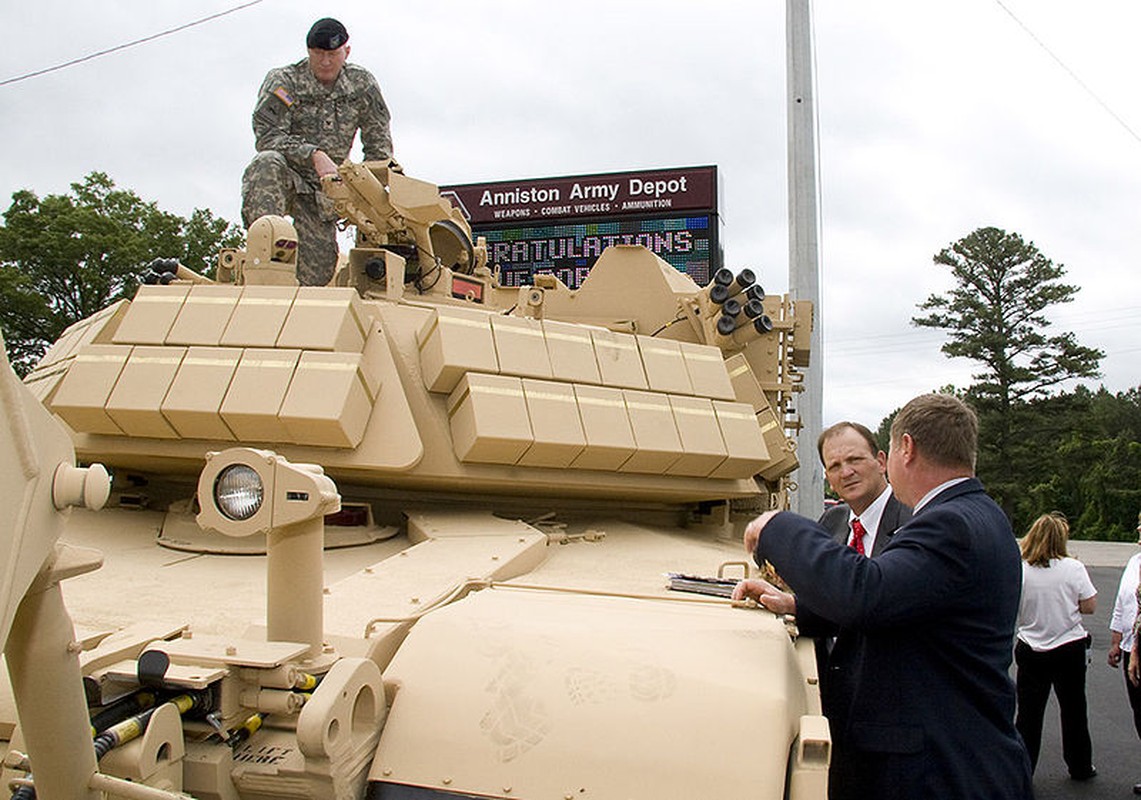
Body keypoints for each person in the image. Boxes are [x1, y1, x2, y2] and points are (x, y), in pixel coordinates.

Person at [733, 393, 1032, 799]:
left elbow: (865, 593)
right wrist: (796, 606)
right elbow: (902, 609)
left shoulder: (948, 524)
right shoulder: (980, 513)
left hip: (939, 772)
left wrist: (776, 527)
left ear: (903, 449)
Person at [241, 17, 395, 287]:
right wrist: (313, 154)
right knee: (266, 163)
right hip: (289, 174)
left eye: (332, 54)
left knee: (316, 278)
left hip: (327, 193)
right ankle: (264, 252)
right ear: (308, 51)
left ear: (346, 51)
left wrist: (368, 191)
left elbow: (378, 146)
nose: (325, 62)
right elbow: (267, 134)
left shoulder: (362, 85)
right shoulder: (285, 82)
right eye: (318, 54)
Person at [1013, 512, 1097, 779]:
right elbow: (1090, 606)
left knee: (1028, 714)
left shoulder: (1021, 568)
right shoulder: (1073, 568)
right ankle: (1080, 765)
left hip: (1030, 645)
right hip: (1068, 646)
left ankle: (1024, 769)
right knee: (1073, 709)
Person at [817, 421, 911, 556]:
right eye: (835, 466)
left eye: (855, 459)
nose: (846, 473)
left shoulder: (914, 521)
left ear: (881, 462)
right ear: (828, 478)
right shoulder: (830, 522)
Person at [1114, 510, 1141, 794]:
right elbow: (1123, 604)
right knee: (1139, 711)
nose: (1138, 529)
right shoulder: (1134, 562)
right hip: (1131, 648)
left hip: (1138, 649)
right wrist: (1116, 640)